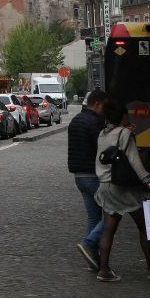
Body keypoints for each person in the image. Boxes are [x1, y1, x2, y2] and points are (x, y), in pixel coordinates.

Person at [94, 98, 150, 283]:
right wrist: (148, 182)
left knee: (108, 230)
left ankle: (103, 270)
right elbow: (134, 160)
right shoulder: (124, 134)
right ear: (123, 116)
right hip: (122, 189)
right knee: (145, 227)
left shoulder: (102, 134)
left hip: (105, 186)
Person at [67, 89, 107, 270]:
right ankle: (89, 244)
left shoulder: (76, 120)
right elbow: (101, 148)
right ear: (97, 104)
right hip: (93, 174)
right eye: (104, 107)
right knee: (114, 212)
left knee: (93, 216)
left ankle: (92, 258)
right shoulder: (95, 122)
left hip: (79, 176)